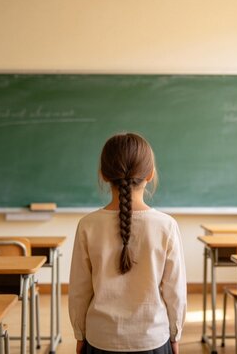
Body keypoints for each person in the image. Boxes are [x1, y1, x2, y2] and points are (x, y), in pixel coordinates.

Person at [69, 133, 187, 354]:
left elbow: (79, 290)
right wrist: (175, 335)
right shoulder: (166, 226)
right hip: (152, 338)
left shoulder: (87, 225)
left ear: (104, 175)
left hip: (100, 338)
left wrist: (79, 334)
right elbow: (175, 291)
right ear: (150, 174)